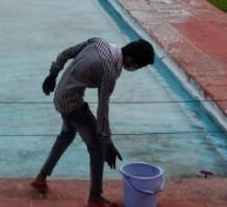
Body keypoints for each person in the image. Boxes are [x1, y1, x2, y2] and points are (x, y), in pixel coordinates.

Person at [32, 37, 156, 207]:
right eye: (138, 66)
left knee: (67, 134)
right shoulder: (109, 71)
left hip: (61, 94)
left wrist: (52, 75)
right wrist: (107, 142)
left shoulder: (98, 42)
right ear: (130, 60)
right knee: (97, 147)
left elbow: (65, 54)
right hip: (71, 102)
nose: (136, 69)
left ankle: (41, 178)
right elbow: (103, 109)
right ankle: (95, 198)